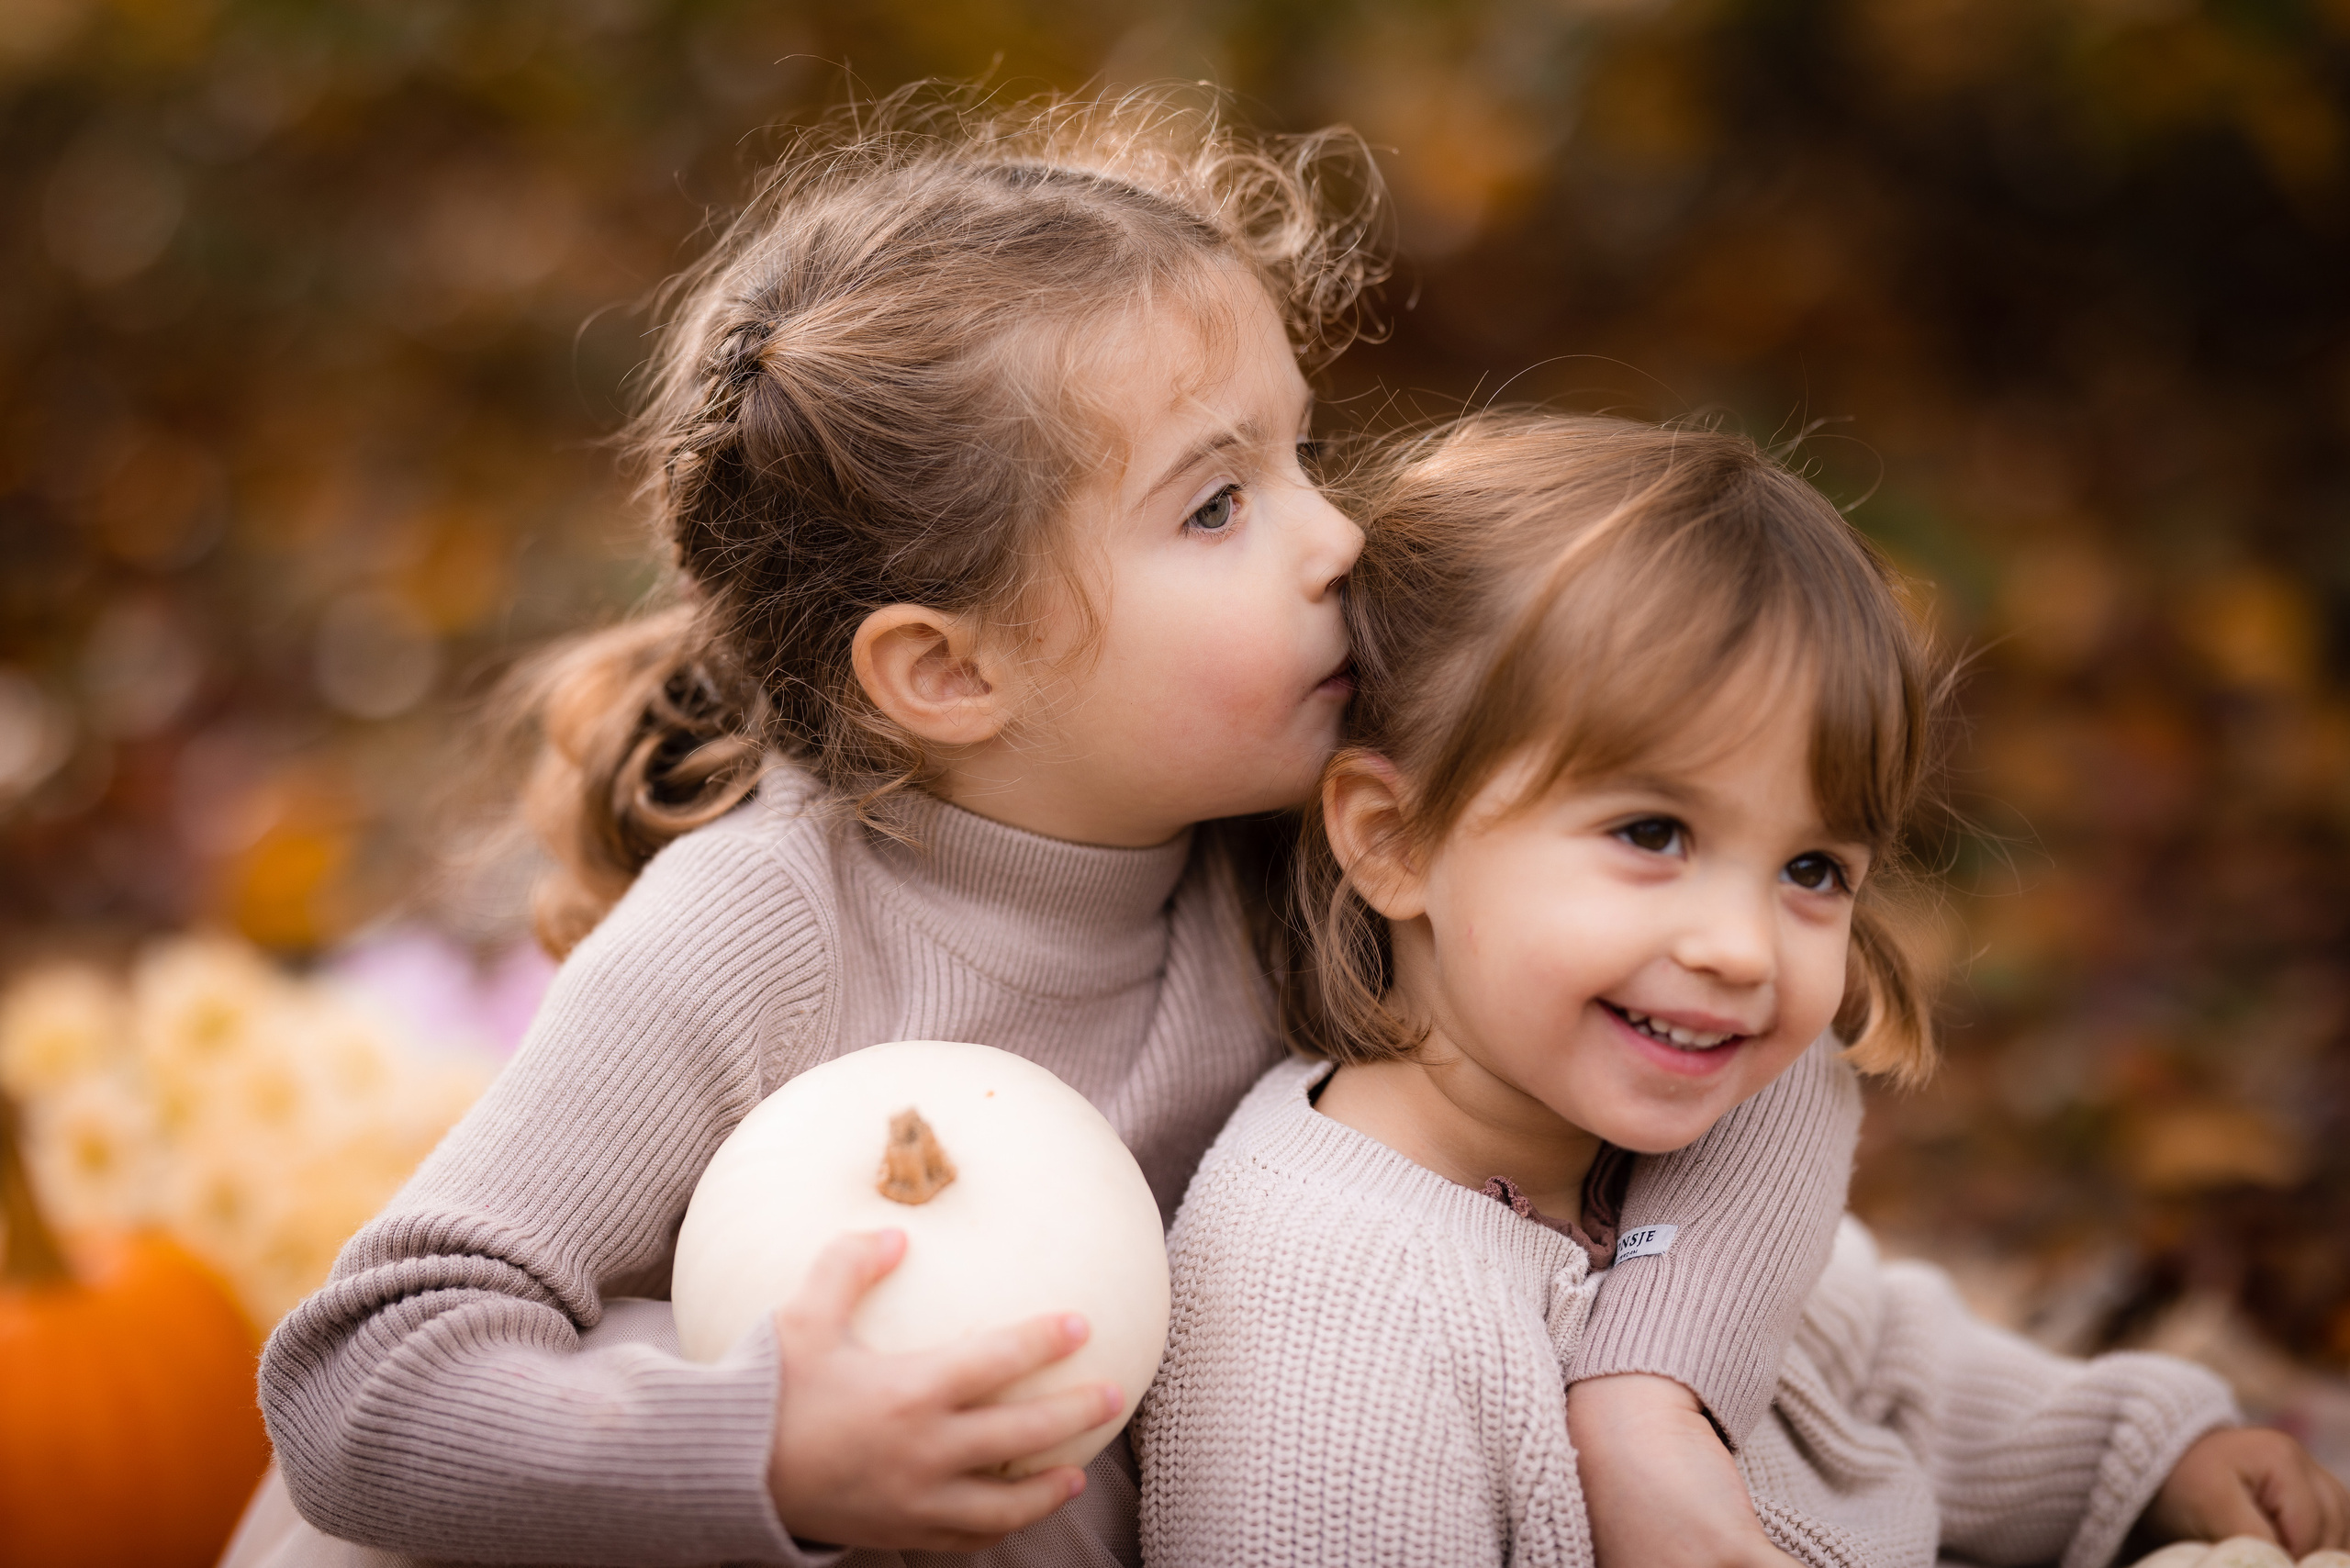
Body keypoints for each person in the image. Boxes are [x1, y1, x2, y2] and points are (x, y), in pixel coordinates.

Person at [252, 89, 1859, 1568]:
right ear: (951, 668)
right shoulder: (761, 929)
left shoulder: (1317, 806)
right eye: (1218, 504)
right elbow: (360, 1372)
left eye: (1301, 453)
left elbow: (1756, 1008)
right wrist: (761, 1449)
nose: (1337, 537)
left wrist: (1650, 1385)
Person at [1134, 409, 2350, 1567]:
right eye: (1653, 833)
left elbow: (1882, 1362)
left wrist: (2141, 1455)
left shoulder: (1643, 1154)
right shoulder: (1331, 1309)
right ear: (1396, 840)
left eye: (1813, 869)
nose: (1745, 949)